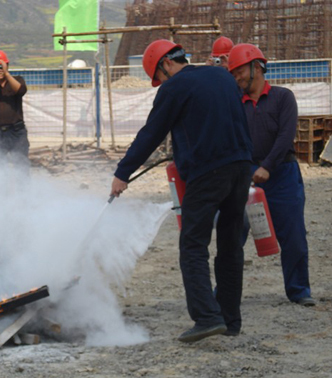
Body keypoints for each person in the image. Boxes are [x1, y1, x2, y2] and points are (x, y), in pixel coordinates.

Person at [110, 39, 253, 342]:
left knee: (192, 245)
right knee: (229, 246)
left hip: (208, 172)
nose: (160, 82)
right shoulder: (222, 76)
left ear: (165, 64)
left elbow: (151, 133)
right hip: (241, 168)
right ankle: (230, 319)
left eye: (159, 77)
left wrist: (123, 172)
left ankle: (207, 317)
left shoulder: (174, 87)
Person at [228, 43, 315, 307]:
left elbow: (285, 136)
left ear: (257, 67)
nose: (237, 77)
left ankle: (299, 291)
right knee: (233, 234)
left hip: (282, 174)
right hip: (247, 174)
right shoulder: (235, 104)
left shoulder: (282, 97)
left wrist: (267, 166)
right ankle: (225, 293)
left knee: (294, 236)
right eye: (232, 73)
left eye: (240, 71)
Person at [0, 49, 30, 167]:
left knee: (21, 163)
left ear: (7, 65)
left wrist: (7, 74)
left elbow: (21, 90)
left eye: (1, 66)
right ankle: (0, 185)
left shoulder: (17, 80)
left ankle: (23, 185)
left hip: (16, 130)